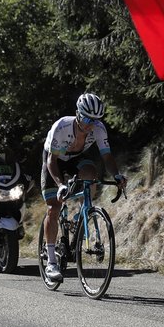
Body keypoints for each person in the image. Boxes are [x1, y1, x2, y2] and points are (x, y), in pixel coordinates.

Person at [40, 93, 128, 282]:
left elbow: (107, 157)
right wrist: (61, 185)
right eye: (87, 118)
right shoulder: (61, 127)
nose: (90, 124)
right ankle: (51, 263)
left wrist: (117, 175)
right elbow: (51, 161)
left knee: (90, 173)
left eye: (95, 120)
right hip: (54, 160)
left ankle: (84, 210)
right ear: (78, 114)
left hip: (76, 157)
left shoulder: (98, 128)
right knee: (53, 208)